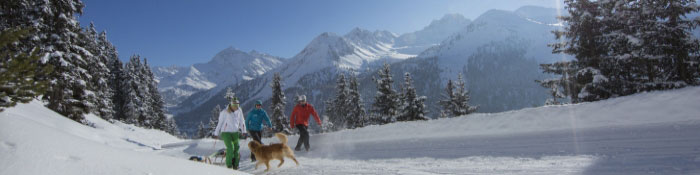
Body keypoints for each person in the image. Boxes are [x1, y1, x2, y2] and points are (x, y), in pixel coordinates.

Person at [212, 97, 247, 170]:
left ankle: (235, 165)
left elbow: (242, 121)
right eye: (234, 106)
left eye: (237, 106)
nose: (236, 108)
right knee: (230, 148)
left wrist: (244, 131)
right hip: (226, 132)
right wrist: (216, 133)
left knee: (236, 148)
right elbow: (220, 123)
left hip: (235, 132)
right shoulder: (224, 112)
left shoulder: (239, 110)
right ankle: (229, 165)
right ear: (231, 105)